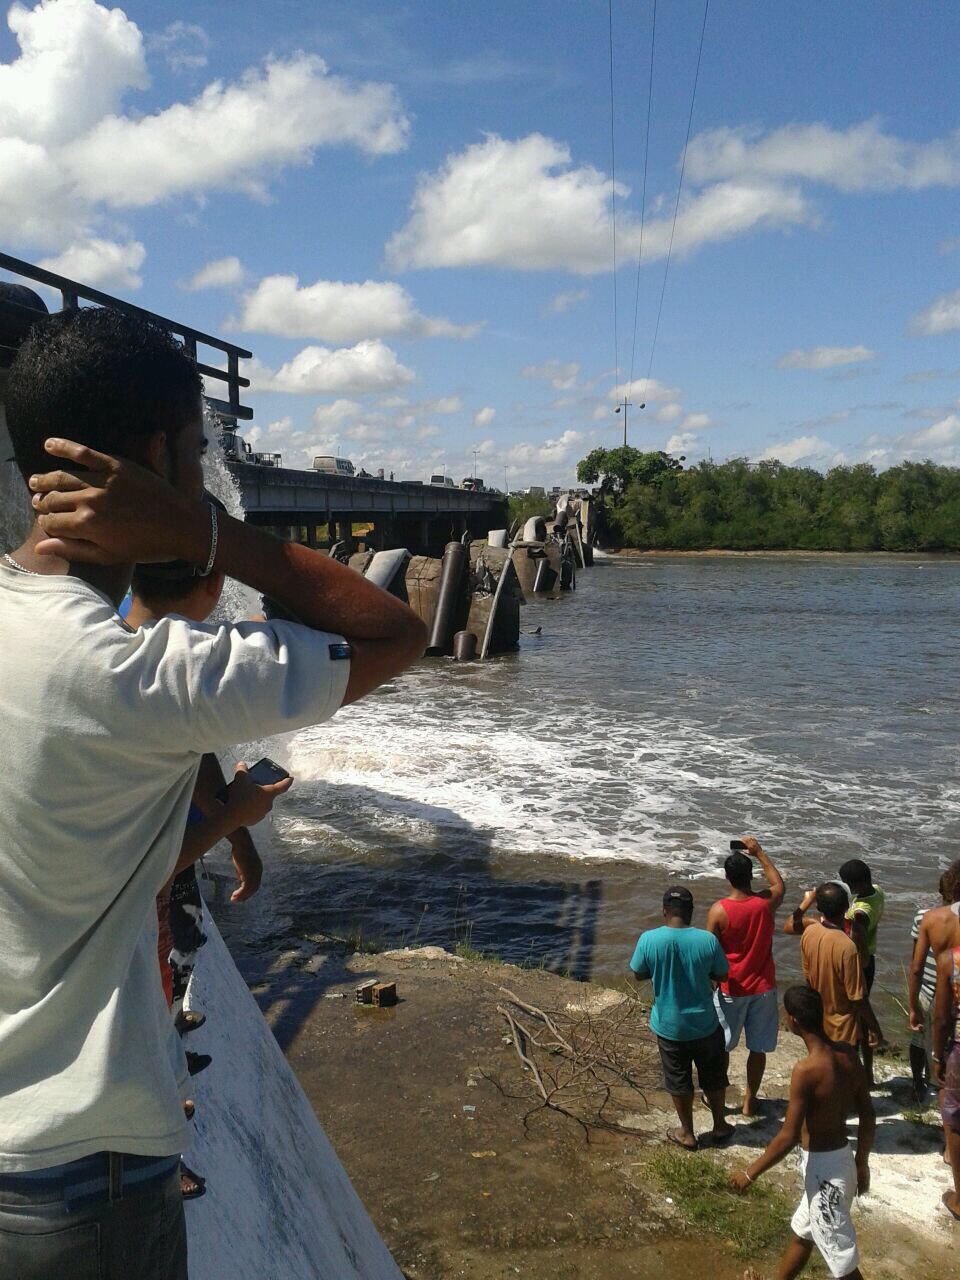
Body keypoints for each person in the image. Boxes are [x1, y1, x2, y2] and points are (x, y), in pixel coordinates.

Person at [0, 305, 427, 1280]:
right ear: (158, 458)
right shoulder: (137, 677)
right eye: (198, 449)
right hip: (86, 1174)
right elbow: (394, 634)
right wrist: (204, 529)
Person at [730, 985, 875, 1280]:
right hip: (843, 1162)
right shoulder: (848, 1054)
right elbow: (868, 1114)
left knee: (841, 1261)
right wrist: (861, 1162)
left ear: (793, 1019)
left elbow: (789, 1136)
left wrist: (750, 1173)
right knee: (804, 1232)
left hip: (824, 1176)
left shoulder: (806, 1071)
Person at [630, 886, 733, 1150]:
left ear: (664, 911)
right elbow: (722, 974)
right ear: (691, 911)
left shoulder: (649, 939)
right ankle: (720, 1124)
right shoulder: (707, 940)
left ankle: (687, 1133)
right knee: (713, 1076)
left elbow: (639, 973)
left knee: (678, 1079)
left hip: (669, 1025)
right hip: (706, 1023)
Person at [706, 836, 785, 1116]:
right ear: (751, 875)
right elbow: (778, 885)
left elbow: (710, 952)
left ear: (727, 877)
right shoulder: (764, 904)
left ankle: (721, 1097)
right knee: (758, 1049)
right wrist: (760, 852)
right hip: (763, 986)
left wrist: (709, 984)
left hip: (731, 987)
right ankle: (751, 1100)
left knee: (723, 1048)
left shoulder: (719, 911)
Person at [784, 883, 882, 1055]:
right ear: (846, 906)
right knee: (846, 1070)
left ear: (820, 907)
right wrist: (874, 1027)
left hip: (819, 1017)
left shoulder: (810, 931)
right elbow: (858, 997)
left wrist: (806, 902)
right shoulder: (847, 945)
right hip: (843, 1025)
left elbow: (808, 975)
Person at [909, 860, 960, 1099]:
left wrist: (912, 1005)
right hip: (957, 994)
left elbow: (916, 967)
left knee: (922, 1041)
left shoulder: (928, 918)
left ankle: (920, 1084)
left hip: (931, 990)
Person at [839, 859, 886, 1085]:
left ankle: (857, 1077)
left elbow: (860, 950)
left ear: (854, 885)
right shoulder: (877, 892)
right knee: (863, 1019)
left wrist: (856, 975)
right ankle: (868, 1073)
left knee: (856, 1021)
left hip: (861, 964)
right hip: (870, 961)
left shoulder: (859, 915)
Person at [932, 933, 960, 1220]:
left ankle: (959, 1199)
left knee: (955, 1116)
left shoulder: (950, 959)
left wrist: (938, 1056)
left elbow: (941, 1018)